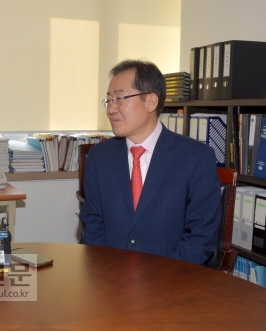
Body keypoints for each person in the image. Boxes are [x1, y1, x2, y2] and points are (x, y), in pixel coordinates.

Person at [79, 59, 221, 265]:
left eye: (119, 98)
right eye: (108, 100)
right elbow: (92, 223)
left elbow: (201, 237)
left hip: (170, 281)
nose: (110, 109)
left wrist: (160, 279)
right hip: (110, 279)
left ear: (151, 102)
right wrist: (108, 271)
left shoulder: (195, 157)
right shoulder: (99, 157)